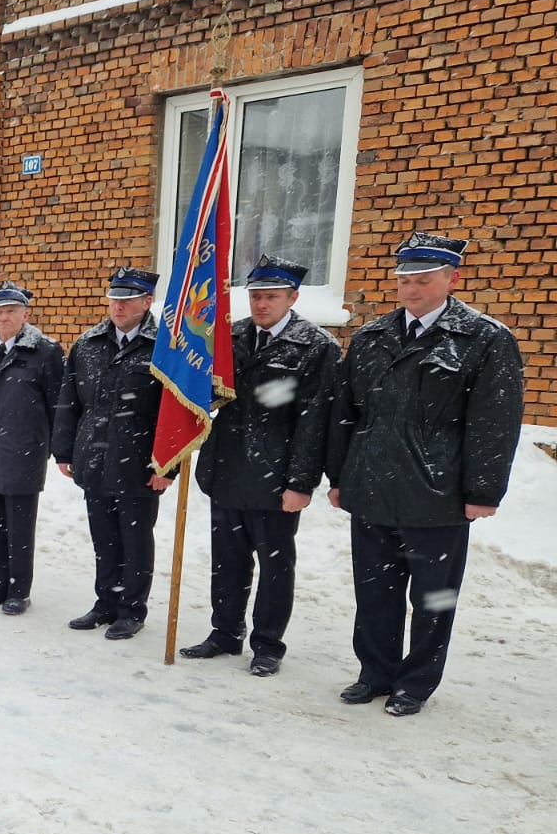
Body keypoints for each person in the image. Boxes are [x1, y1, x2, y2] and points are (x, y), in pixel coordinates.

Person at [326, 231, 524, 716]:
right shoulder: (372, 337)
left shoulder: (484, 339)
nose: (411, 289)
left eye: (423, 280)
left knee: (433, 598)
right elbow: (345, 413)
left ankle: (415, 683)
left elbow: (494, 422)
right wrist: (339, 477)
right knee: (375, 591)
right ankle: (374, 673)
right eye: (405, 280)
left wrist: (483, 490)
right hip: (372, 486)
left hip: (438, 493)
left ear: (452, 280)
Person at [181, 256, 339, 677]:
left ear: (293, 298)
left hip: (276, 473)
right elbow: (207, 393)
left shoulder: (316, 346)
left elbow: (314, 420)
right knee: (227, 561)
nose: (262, 304)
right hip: (228, 466)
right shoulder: (229, 337)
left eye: (271, 296)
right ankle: (225, 632)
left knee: (275, 567)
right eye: (255, 296)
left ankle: (268, 644)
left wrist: (301, 482)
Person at [53, 266, 176, 640]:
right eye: (114, 300)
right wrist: (64, 451)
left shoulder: (166, 347)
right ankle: (105, 602)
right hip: (94, 455)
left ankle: (132, 609)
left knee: (135, 541)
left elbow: (175, 412)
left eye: (127, 300)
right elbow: (69, 402)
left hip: (140, 461)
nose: (118, 307)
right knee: (104, 538)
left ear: (147, 302)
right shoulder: (88, 343)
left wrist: (169, 466)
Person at [0, 283, 63, 614]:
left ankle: (19, 590)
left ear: (25, 315)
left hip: (24, 450)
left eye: (11, 311)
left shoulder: (45, 352)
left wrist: (59, 448)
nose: (3, 318)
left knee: (19, 528)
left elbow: (57, 405)